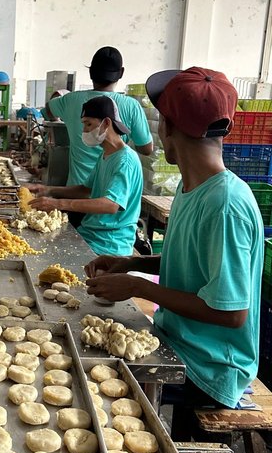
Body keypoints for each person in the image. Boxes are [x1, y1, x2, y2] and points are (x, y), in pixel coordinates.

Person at [85, 66, 264, 415]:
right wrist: (132, 263)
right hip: (178, 339)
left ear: (168, 128)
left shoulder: (225, 204)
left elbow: (231, 313)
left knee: (92, 391)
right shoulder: (191, 186)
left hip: (209, 366)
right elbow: (195, 266)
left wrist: (139, 287)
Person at [29, 95, 143, 256]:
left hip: (109, 243)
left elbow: (111, 205)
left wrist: (59, 204)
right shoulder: (106, 155)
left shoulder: (125, 161)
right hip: (91, 233)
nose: (84, 131)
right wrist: (48, 190)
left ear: (107, 123)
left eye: (88, 124)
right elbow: (86, 190)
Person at [46, 47, 153, 189]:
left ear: (90, 72)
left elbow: (49, 111)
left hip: (78, 192)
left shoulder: (70, 100)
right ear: (121, 73)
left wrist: (58, 96)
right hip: (109, 188)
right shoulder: (131, 106)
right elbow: (146, 148)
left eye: (88, 124)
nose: (85, 129)